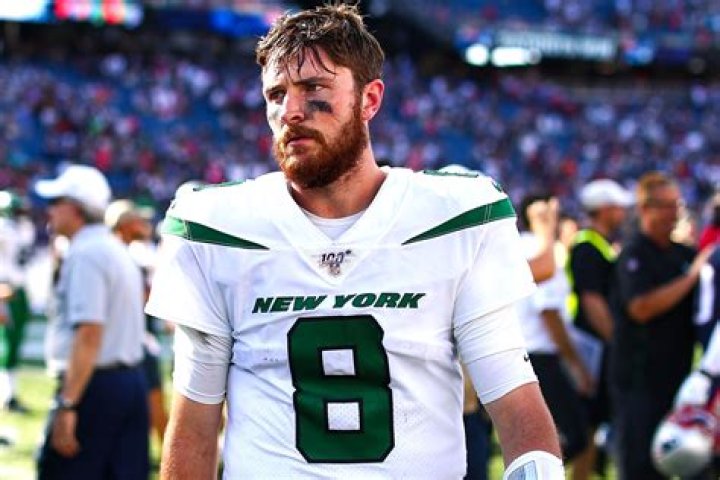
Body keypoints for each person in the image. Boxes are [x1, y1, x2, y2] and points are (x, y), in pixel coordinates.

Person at [146, 4, 563, 479]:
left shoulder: (456, 219)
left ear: (370, 99)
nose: (290, 111)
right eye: (276, 94)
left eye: (314, 88)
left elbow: (515, 400)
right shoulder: (215, 228)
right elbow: (194, 427)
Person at [34, 164, 149, 479]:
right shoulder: (112, 248)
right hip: (127, 381)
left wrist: (67, 404)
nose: (49, 211)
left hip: (95, 387)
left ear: (75, 208)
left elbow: (89, 333)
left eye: (56, 202)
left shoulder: (87, 253)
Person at [609, 171, 715, 480]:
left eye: (676, 205)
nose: (673, 213)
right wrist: (690, 278)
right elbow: (641, 308)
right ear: (645, 208)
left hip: (680, 378)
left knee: (693, 464)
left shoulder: (684, 253)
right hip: (639, 381)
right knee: (641, 467)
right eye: (665, 206)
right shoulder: (634, 254)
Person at [517, 194, 592, 466]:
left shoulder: (519, 245)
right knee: (571, 437)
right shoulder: (541, 249)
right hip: (540, 357)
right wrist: (575, 363)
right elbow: (548, 311)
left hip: (521, 355)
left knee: (537, 440)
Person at [566, 178, 633, 480]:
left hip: (594, 344)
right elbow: (592, 302)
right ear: (604, 209)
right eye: (617, 206)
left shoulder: (599, 244)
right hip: (591, 346)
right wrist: (617, 342)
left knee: (592, 425)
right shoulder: (587, 246)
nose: (623, 212)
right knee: (587, 426)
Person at [105, 199, 169, 452]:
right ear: (124, 224)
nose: (145, 225)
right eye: (138, 220)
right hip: (134, 340)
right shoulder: (126, 256)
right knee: (152, 401)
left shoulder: (119, 253)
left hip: (126, 340)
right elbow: (143, 297)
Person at [0, 190, 35, 413]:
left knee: (13, 343)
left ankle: (9, 393)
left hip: (17, 287)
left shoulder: (21, 229)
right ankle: (7, 395)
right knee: (7, 344)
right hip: (5, 286)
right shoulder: (11, 228)